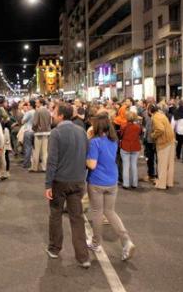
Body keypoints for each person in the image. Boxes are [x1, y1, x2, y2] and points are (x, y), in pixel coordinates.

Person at [45, 103, 90, 268]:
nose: (52, 114)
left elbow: (52, 161)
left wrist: (48, 184)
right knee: (77, 218)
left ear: (61, 115)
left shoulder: (56, 133)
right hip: (78, 181)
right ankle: (83, 257)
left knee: (55, 214)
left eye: (54, 112)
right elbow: (87, 154)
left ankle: (54, 248)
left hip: (60, 181)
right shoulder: (82, 132)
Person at [86, 114, 135, 260]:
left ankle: (96, 243)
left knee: (97, 212)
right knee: (110, 212)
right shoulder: (113, 141)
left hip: (97, 182)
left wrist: (85, 159)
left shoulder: (94, 142)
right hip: (112, 180)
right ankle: (126, 240)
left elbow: (92, 164)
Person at [150, 104, 175, 190]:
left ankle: (161, 184)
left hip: (164, 142)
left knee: (162, 164)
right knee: (169, 164)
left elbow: (160, 129)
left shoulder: (155, 117)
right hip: (171, 140)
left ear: (150, 111)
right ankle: (168, 182)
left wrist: (153, 135)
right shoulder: (162, 115)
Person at [120, 112, 142, 189]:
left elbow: (121, 136)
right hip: (135, 147)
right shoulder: (138, 127)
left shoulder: (123, 126)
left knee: (126, 166)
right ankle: (134, 183)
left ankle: (126, 184)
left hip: (125, 147)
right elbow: (140, 135)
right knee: (134, 165)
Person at [30, 98, 51, 172]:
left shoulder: (38, 111)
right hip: (47, 133)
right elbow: (50, 122)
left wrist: (34, 129)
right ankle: (44, 167)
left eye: (37, 102)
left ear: (41, 103)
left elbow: (35, 123)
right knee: (45, 151)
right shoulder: (48, 111)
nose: (36, 104)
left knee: (36, 151)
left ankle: (35, 167)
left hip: (38, 133)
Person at [142, 104, 158, 182]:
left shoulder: (154, 117)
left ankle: (153, 175)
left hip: (152, 140)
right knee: (150, 159)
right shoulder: (152, 116)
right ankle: (152, 175)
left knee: (152, 159)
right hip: (150, 141)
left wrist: (151, 135)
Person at [21, 100, 36, 169]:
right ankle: (33, 162)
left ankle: (26, 163)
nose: (27, 106)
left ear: (31, 106)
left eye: (29, 105)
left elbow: (22, 121)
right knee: (33, 148)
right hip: (34, 131)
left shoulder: (29, 112)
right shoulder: (36, 112)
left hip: (28, 131)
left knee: (27, 148)